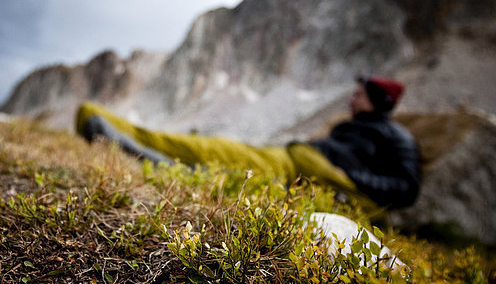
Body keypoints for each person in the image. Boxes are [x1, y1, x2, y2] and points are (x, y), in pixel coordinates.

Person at [76, 76, 421, 210]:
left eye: (359, 95)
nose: (352, 99)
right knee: (215, 151)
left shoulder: (398, 137)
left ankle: (138, 148)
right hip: (289, 160)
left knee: (226, 165)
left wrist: (350, 178)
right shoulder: (351, 126)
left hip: (302, 173)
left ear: (379, 100)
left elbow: (407, 189)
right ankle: (119, 133)